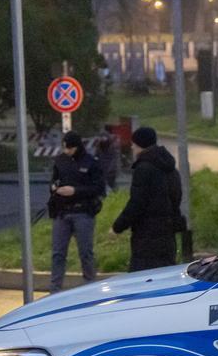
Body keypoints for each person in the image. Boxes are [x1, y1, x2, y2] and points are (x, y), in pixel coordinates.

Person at [111, 127, 185, 271]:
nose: (132, 147)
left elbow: (137, 203)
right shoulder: (170, 168)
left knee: (142, 279)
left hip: (147, 235)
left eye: (134, 143)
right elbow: (177, 196)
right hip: (168, 232)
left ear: (140, 145)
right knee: (165, 275)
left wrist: (117, 227)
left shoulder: (144, 169)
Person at [48, 132, 105, 292]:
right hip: (62, 212)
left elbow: (98, 188)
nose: (67, 151)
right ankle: (55, 289)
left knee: (85, 252)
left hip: (83, 212)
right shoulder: (60, 161)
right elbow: (54, 180)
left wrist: (75, 191)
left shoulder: (91, 162)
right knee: (58, 252)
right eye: (65, 148)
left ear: (77, 146)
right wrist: (54, 187)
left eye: (70, 148)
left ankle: (90, 285)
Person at [96, 125, 120, 192]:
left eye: (104, 137)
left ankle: (116, 195)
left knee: (111, 184)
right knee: (103, 184)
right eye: (101, 137)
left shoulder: (112, 147)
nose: (102, 139)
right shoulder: (99, 147)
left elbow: (114, 159)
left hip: (110, 171)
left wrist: (111, 169)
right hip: (102, 169)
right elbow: (96, 157)